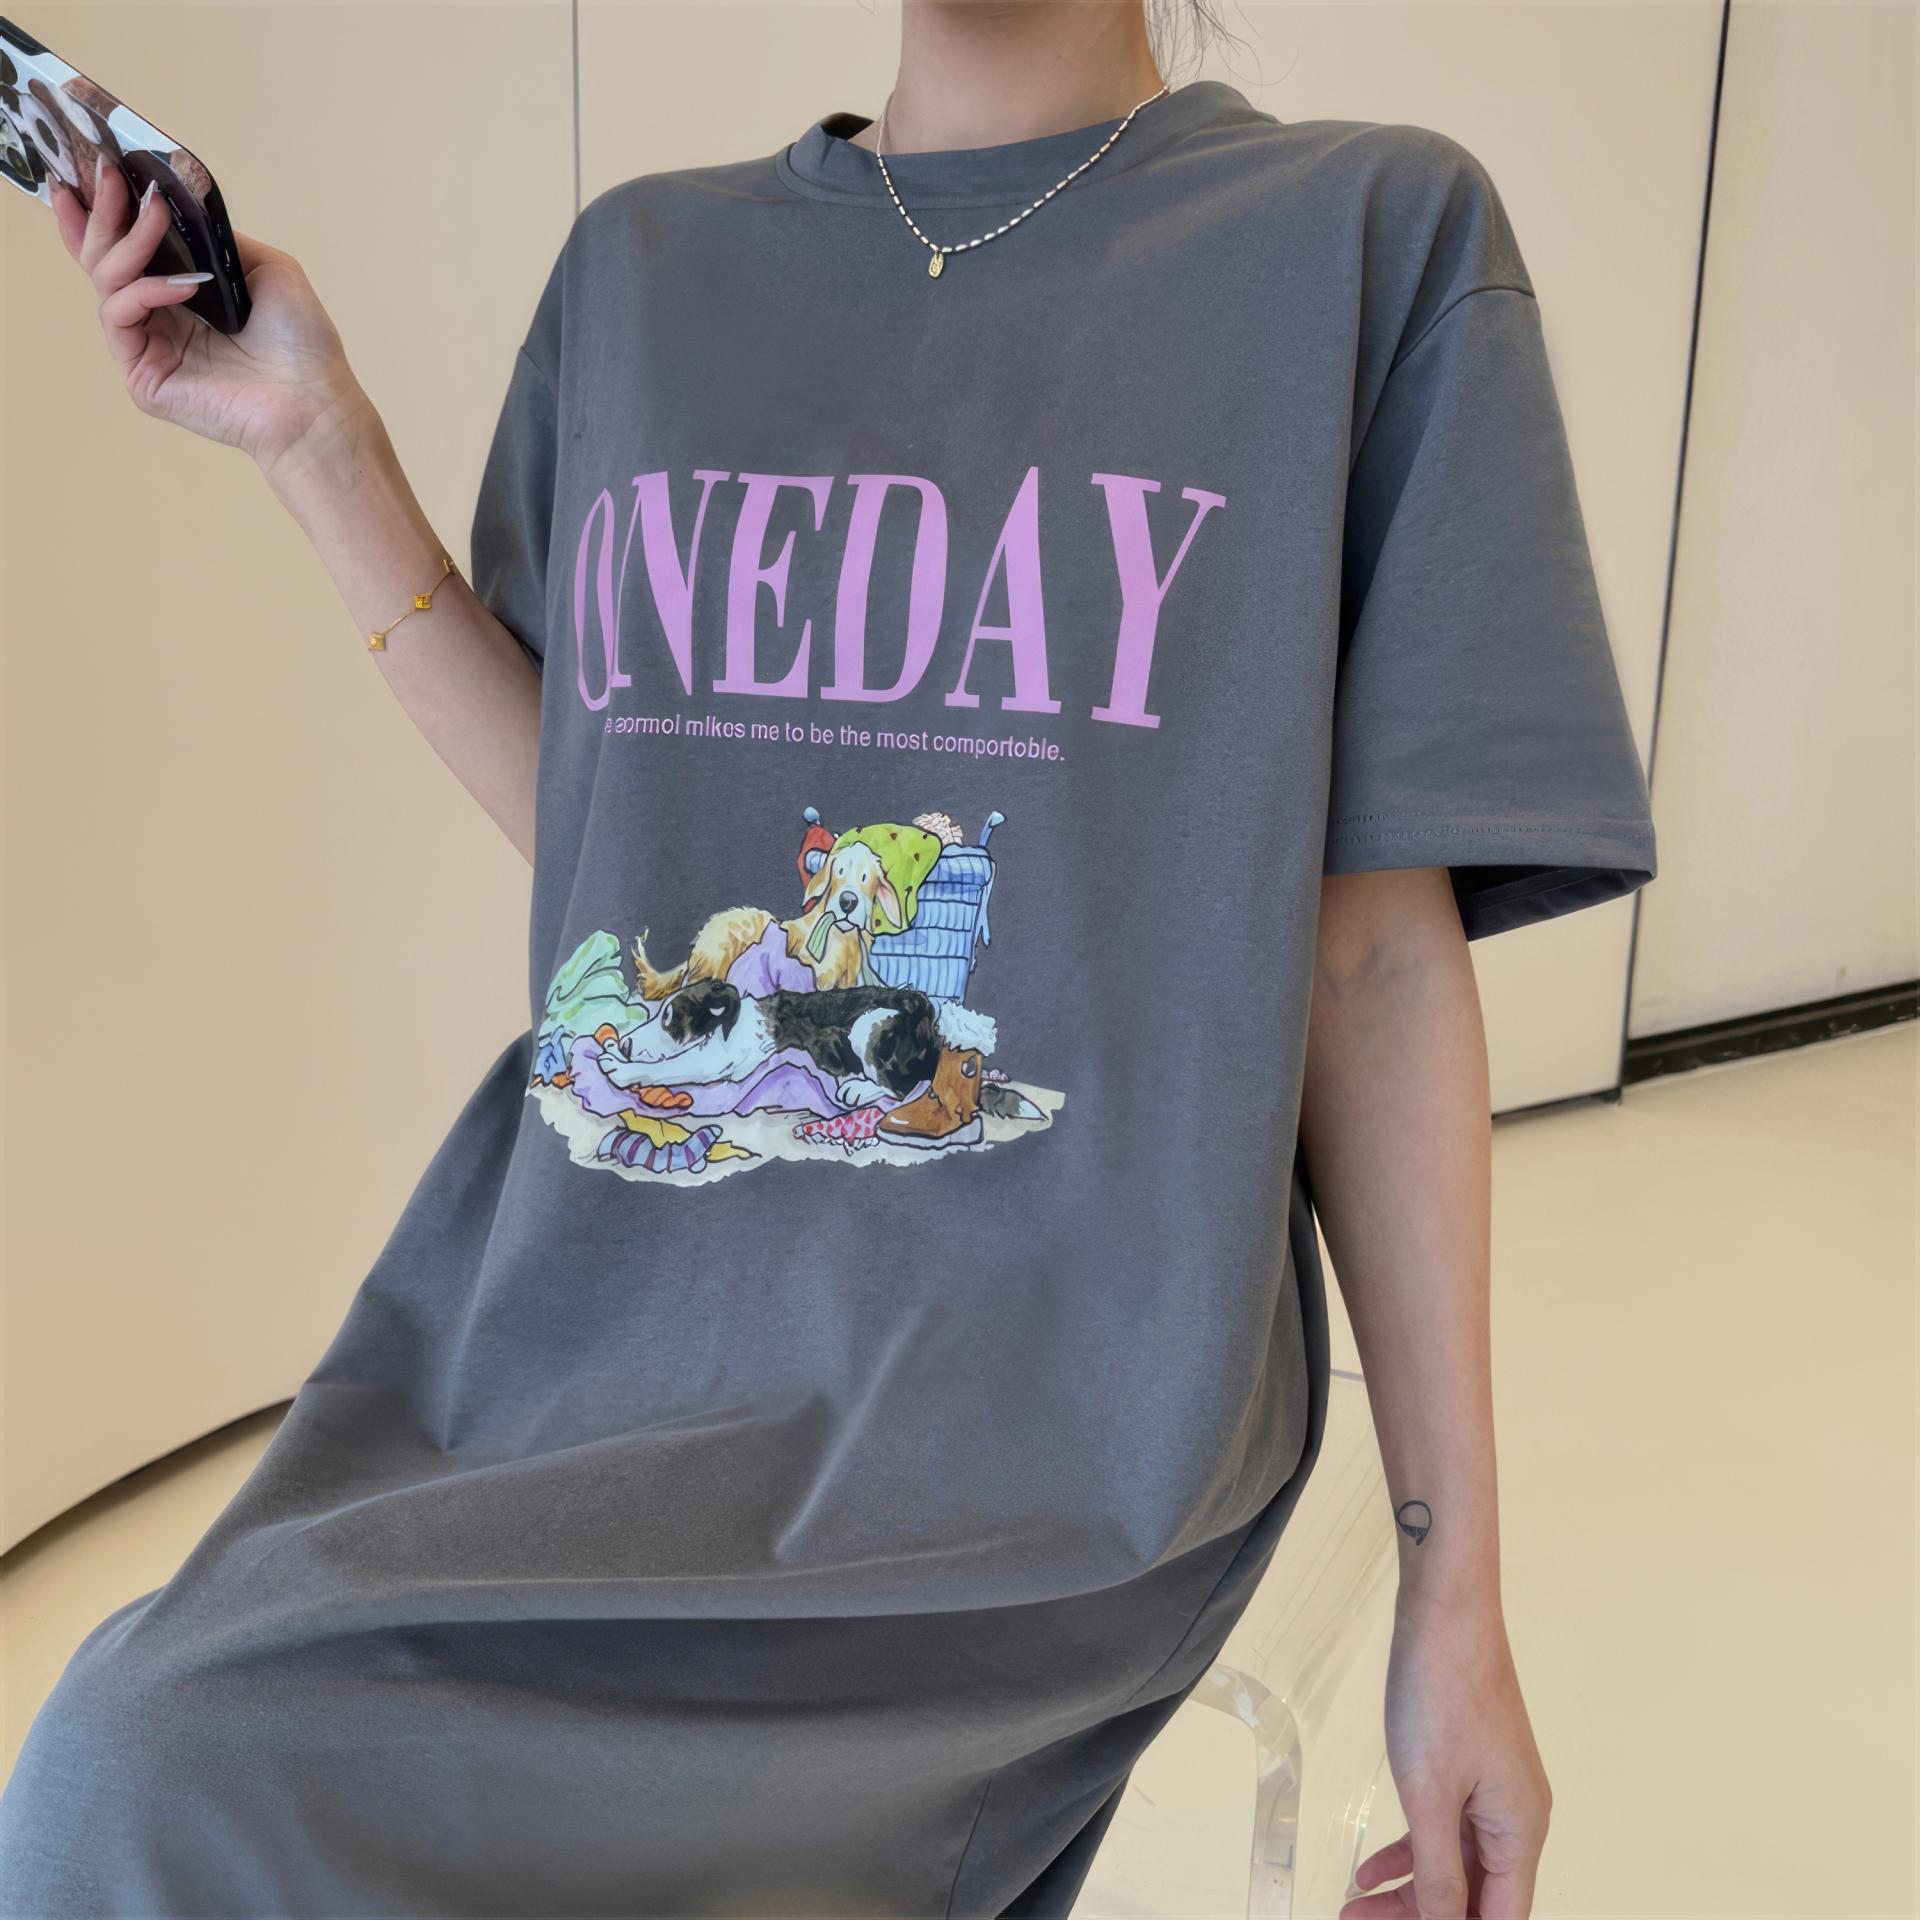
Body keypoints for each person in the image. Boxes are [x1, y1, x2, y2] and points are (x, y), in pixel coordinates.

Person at [0, 2, 1657, 1915]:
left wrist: (1458, 1598)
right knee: (138, 1768)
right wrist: (315, 438)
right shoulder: (647, 267)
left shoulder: (1362, 241)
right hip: (595, 1329)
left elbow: (1372, 967)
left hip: (1061, 1413)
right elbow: (609, 841)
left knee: (155, 1772)